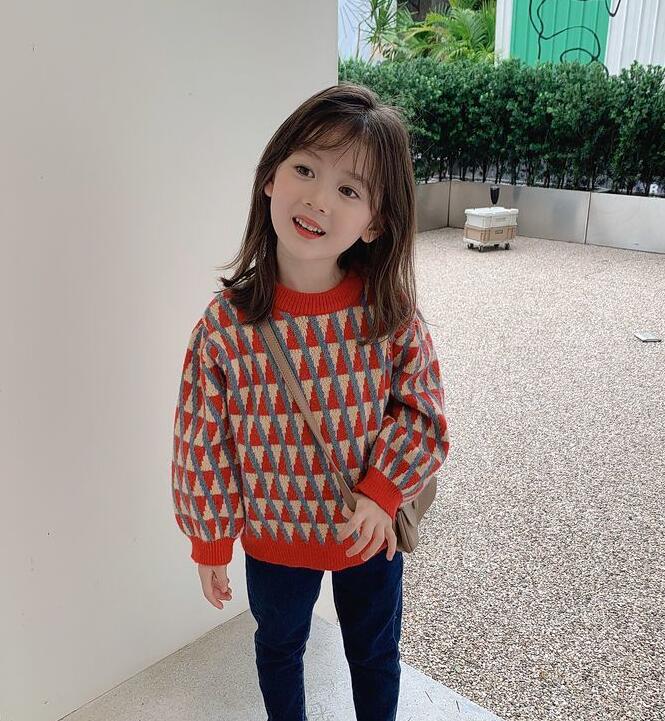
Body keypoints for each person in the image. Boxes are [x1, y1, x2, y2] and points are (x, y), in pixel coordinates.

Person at [170, 82, 450, 721]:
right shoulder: (225, 328)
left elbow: (424, 413)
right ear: (270, 177)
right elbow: (202, 442)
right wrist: (210, 540)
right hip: (275, 538)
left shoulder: (389, 315)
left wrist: (383, 491)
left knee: (374, 653)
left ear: (375, 221)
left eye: (349, 190)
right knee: (278, 649)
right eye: (305, 169)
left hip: (367, 530)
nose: (319, 199)